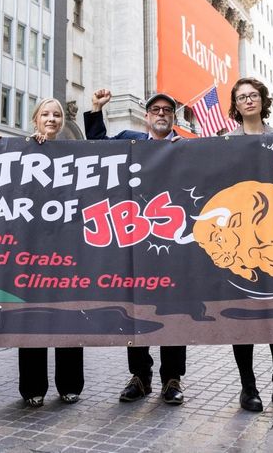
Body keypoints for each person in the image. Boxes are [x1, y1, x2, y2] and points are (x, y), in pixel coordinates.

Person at [83, 89, 186, 406]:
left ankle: (172, 379)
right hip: (134, 239)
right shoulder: (130, 139)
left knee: (172, 310)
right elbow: (98, 146)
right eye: (155, 109)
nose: (161, 113)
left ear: (173, 117)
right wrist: (97, 109)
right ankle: (140, 376)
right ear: (147, 115)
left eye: (167, 109)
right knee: (136, 310)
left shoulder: (184, 148)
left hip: (171, 242)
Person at [221, 77, 273, 413]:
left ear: (263, 100)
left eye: (254, 95)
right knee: (244, 315)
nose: (248, 101)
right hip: (240, 239)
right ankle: (247, 387)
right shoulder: (224, 142)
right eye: (242, 97)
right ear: (235, 105)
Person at [16, 98, 85, 407]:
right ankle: (32, 388)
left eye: (57, 114)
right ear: (35, 119)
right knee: (32, 319)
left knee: (68, 316)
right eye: (46, 113)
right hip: (31, 254)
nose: (52, 118)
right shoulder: (20, 152)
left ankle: (70, 385)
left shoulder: (73, 156)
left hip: (66, 252)